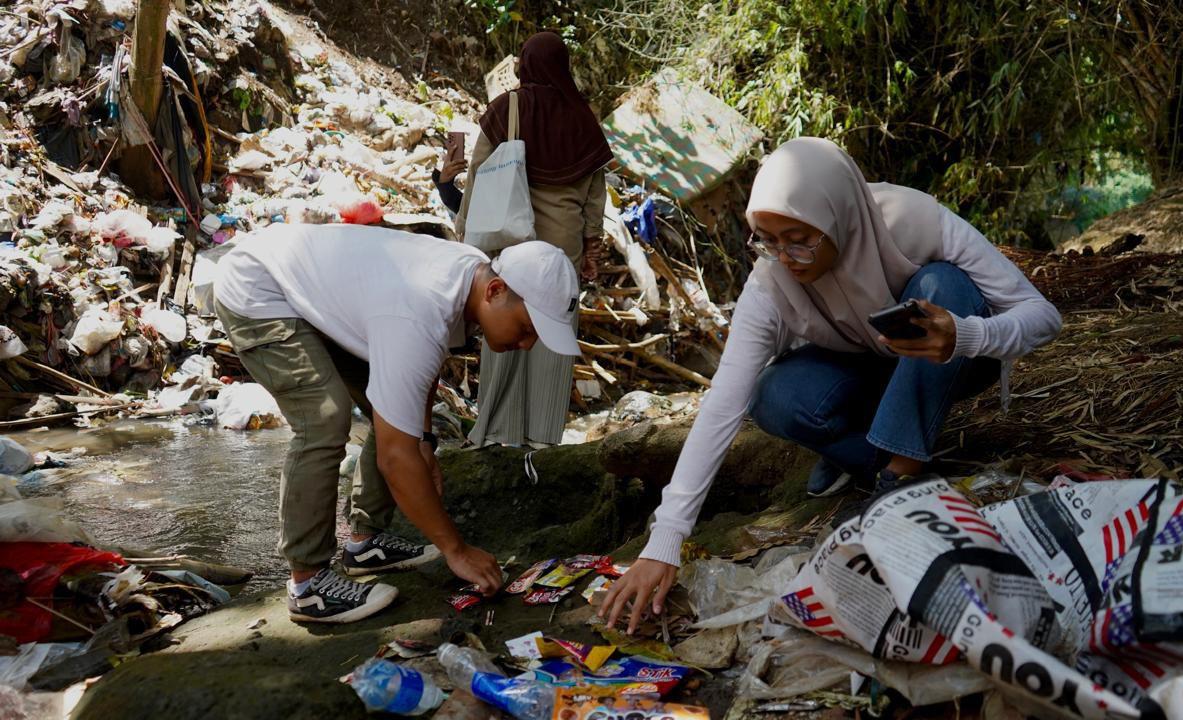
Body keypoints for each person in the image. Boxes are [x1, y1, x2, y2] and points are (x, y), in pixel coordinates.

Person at [600, 137, 1062, 632]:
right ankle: (875, 452)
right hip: (864, 371)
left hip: (950, 356)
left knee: (942, 284)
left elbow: (1043, 317)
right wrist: (665, 540)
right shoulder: (770, 283)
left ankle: (898, 477)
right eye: (767, 239)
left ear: (838, 215)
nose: (786, 256)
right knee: (772, 395)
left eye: (800, 238)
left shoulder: (914, 220)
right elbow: (723, 405)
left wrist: (968, 334)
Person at [214, 226, 581, 623]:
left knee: (391, 416)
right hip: (259, 286)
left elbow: (416, 379)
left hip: (317, 290)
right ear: (495, 291)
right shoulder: (420, 310)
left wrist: (423, 439)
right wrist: (455, 551)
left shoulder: (468, 277)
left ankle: (365, 542)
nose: (527, 345)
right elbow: (394, 455)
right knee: (323, 418)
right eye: (527, 329)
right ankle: (308, 584)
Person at [449, 30, 613, 449]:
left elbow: (480, 176)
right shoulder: (583, 119)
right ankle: (542, 436)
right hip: (562, 250)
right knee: (551, 337)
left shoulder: (508, 109)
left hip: (511, 247)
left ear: (524, 63)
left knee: (505, 333)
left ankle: (495, 433)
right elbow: (595, 197)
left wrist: (465, 231)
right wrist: (591, 248)